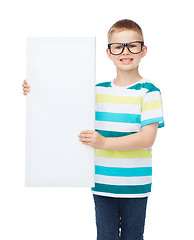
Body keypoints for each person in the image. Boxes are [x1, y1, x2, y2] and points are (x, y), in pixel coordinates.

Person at [22, 19, 164, 240]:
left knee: (133, 237)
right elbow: (63, 101)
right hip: (101, 182)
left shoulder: (149, 92)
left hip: (135, 184)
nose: (125, 52)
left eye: (132, 45)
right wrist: (35, 90)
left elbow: (147, 138)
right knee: (105, 237)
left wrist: (104, 143)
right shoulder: (96, 91)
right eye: (118, 47)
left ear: (143, 50)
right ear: (109, 53)